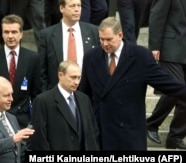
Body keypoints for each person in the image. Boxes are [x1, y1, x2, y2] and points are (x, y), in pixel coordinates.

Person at [78, 17, 186, 150]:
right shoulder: (91, 57)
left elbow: (167, 84)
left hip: (129, 132)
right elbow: (83, 94)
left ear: (120, 35)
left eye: (109, 39)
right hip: (100, 130)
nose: (105, 43)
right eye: (101, 39)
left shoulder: (140, 56)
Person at [0, 14, 41, 130]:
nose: (10, 36)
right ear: (1, 34)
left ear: (21, 34)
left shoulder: (32, 58)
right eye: (6, 32)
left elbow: (36, 93)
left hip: (23, 120)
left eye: (14, 32)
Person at [30, 61, 99, 150]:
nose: (77, 82)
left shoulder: (84, 99)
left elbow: (93, 131)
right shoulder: (43, 101)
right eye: (73, 77)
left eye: (79, 78)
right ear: (60, 75)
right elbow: (39, 138)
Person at [146, 0, 186, 149]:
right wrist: (154, 45)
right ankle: (151, 123)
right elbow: (157, 14)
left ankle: (175, 137)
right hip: (171, 47)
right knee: (177, 87)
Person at [39, 0, 100, 92]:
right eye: (72, 6)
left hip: (86, 93)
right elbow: (41, 70)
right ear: (61, 8)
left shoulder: (93, 31)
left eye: (79, 6)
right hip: (56, 93)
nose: (77, 10)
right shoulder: (47, 35)